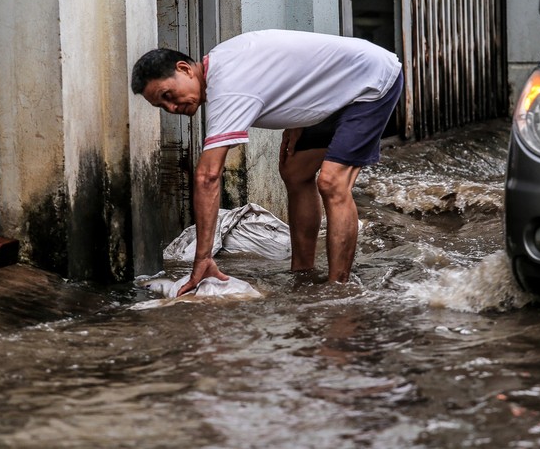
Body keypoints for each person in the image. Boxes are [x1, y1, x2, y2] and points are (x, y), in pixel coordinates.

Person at [131, 29, 403, 296]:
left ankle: (337, 290)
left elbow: (207, 176)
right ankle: (303, 275)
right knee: (295, 172)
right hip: (338, 88)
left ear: (185, 69)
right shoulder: (222, 64)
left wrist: (202, 260)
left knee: (332, 182)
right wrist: (297, 117)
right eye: (161, 106)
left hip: (372, 80)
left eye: (168, 95)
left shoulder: (226, 85)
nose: (171, 108)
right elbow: (289, 69)